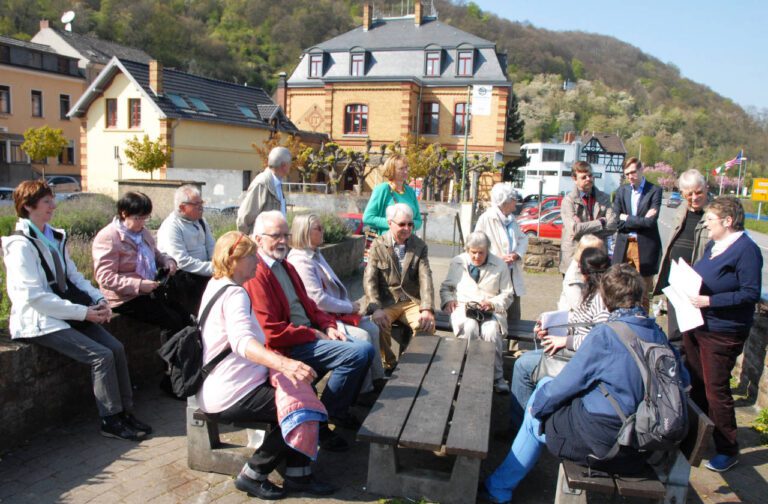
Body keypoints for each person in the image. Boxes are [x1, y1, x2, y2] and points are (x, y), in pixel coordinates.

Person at [482, 264, 689, 503]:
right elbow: (683, 381)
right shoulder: (656, 332)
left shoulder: (606, 334)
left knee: (534, 415)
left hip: (609, 445)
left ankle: (497, 489)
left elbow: (567, 384)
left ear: (606, 298)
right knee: (545, 387)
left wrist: (537, 408)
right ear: (640, 295)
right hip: (645, 442)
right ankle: (501, 482)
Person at [2, 180, 151, 441]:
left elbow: (74, 277)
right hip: (40, 320)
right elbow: (33, 297)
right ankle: (110, 419)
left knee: (115, 348)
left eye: (52, 200)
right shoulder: (20, 246)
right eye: (47, 201)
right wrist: (83, 313)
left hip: (64, 312)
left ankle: (126, 411)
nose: (53, 205)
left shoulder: (54, 236)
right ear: (27, 206)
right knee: (100, 356)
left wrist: (98, 299)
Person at [197, 231, 336, 499]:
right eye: (250, 256)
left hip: (221, 385)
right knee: (304, 408)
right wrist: (285, 365)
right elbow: (241, 342)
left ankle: (299, 475)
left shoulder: (216, 284)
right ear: (233, 259)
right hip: (231, 392)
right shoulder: (235, 294)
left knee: (298, 395)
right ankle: (253, 475)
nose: (256, 262)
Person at [244, 211, 375, 442]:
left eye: (286, 234)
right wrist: (312, 333)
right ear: (258, 239)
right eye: (276, 235)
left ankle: (332, 412)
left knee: (362, 345)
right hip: (287, 347)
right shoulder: (257, 273)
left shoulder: (285, 266)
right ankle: (326, 419)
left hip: (307, 335)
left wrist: (328, 324)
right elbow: (272, 332)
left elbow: (311, 306)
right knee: (359, 352)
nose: (283, 241)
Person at [685, 197, 763, 472]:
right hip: (697, 324)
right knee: (697, 382)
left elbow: (750, 293)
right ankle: (697, 435)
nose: (705, 223)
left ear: (728, 221)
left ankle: (728, 447)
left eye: (711, 219)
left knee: (716, 389)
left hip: (722, 331)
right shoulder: (714, 245)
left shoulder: (747, 250)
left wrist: (711, 302)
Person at [508, 247, 611, 431]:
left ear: (585, 271)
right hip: (576, 351)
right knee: (526, 361)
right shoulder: (594, 291)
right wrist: (548, 322)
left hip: (581, 358)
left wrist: (565, 341)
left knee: (522, 366)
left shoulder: (601, 298)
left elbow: (600, 337)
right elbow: (577, 319)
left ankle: (521, 427)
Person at [287, 213, 385, 394]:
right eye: (319, 228)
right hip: (321, 319)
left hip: (334, 313)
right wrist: (350, 306)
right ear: (305, 232)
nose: (323, 231)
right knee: (362, 336)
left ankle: (377, 380)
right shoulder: (300, 260)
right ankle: (362, 391)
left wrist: (349, 306)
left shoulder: (314, 253)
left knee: (372, 328)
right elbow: (318, 300)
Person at [92, 192, 187, 333]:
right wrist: (139, 285)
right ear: (124, 213)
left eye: (145, 218)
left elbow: (156, 254)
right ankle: (171, 354)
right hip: (124, 298)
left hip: (147, 290)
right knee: (172, 322)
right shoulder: (109, 237)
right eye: (138, 218)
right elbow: (105, 277)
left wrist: (167, 261)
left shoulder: (142, 233)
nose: (142, 222)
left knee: (184, 315)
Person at [439, 231, 514, 394]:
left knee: (491, 331)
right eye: (473, 252)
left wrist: (492, 303)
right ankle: (462, 371)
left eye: (481, 252)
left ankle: (497, 377)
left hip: (490, 309)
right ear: (467, 249)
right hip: (464, 308)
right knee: (470, 327)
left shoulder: (500, 265)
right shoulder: (458, 262)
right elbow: (446, 288)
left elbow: (508, 294)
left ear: (488, 250)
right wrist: (449, 300)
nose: (477, 256)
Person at [364, 203, 435, 370]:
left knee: (424, 325)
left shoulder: (419, 245)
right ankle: (388, 364)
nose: (407, 228)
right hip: (386, 301)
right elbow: (369, 279)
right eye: (402, 224)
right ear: (390, 223)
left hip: (411, 300)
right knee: (378, 324)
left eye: (410, 224)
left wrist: (427, 308)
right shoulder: (377, 245)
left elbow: (426, 277)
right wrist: (375, 308)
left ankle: (413, 366)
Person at [653, 169, 710, 343]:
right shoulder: (681, 210)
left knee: (695, 334)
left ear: (706, 188)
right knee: (676, 333)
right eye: (689, 194)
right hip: (676, 280)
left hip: (699, 282)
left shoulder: (714, 214)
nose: (694, 198)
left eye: (698, 192)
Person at [474, 182, 527, 357]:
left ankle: (513, 348)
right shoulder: (486, 218)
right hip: (494, 273)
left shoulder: (512, 220)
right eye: (513, 199)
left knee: (514, 311)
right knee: (497, 308)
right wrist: (496, 257)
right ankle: (495, 346)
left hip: (512, 272)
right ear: (504, 201)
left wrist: (517, 254)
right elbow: (476, 243)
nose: (516, 203)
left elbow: (522, 239)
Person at [611, 158, 662, 312]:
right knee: (620, 289)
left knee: (643, 294)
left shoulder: (655, 191)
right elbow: (616, 220)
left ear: (641, 169)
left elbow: (650, 223)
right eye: (627, 174)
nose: (630, 176)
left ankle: (643, 326)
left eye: (633, 172)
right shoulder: (621, 191)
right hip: (624, 245)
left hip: (645, 247)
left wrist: (627, 218)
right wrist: (640, 220)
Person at [157, 184, 215, 315]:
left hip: (204, 275)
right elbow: (182, 261)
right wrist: (213, 269)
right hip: (185, 282)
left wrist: (217, 263)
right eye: (196, 204)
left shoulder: (200, 221)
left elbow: (212, 246)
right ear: (182, 207)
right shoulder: (171, 226)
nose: (201, 207)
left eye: (201, 203)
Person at [559, 161, 616, 275]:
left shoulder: (604, 198)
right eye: (583, 177)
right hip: (574, 256)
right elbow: (574, 229)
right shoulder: (568, 201)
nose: (588, 179)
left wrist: (583, 228)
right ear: (575, 179)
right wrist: (601, 222)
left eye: (590, 175)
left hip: (597, 256)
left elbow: (612, 226)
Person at [362, 153, 422, 235]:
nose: (405, 171)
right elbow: (368, 218)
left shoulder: (410, 192)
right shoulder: (382, 189)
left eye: (406, 168)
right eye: (401, 168)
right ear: (391, 170)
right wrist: (394, 224)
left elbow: (419, 220)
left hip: (409, 243)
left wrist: (408, 225)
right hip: (387, 243)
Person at [237, 146, 290, 234]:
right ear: (284, 165)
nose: (290, 166)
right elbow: (244, 217)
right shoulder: (262, 183)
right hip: (262, 242)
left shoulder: (276, 183)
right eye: (289, 163)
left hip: (274, 240)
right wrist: (251, 241)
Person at [558, 234, 605, 311]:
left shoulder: (595, 268)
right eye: (598, 251)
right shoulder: (573, 278)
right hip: (573, 318)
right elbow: (579, 307)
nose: (602, 255)